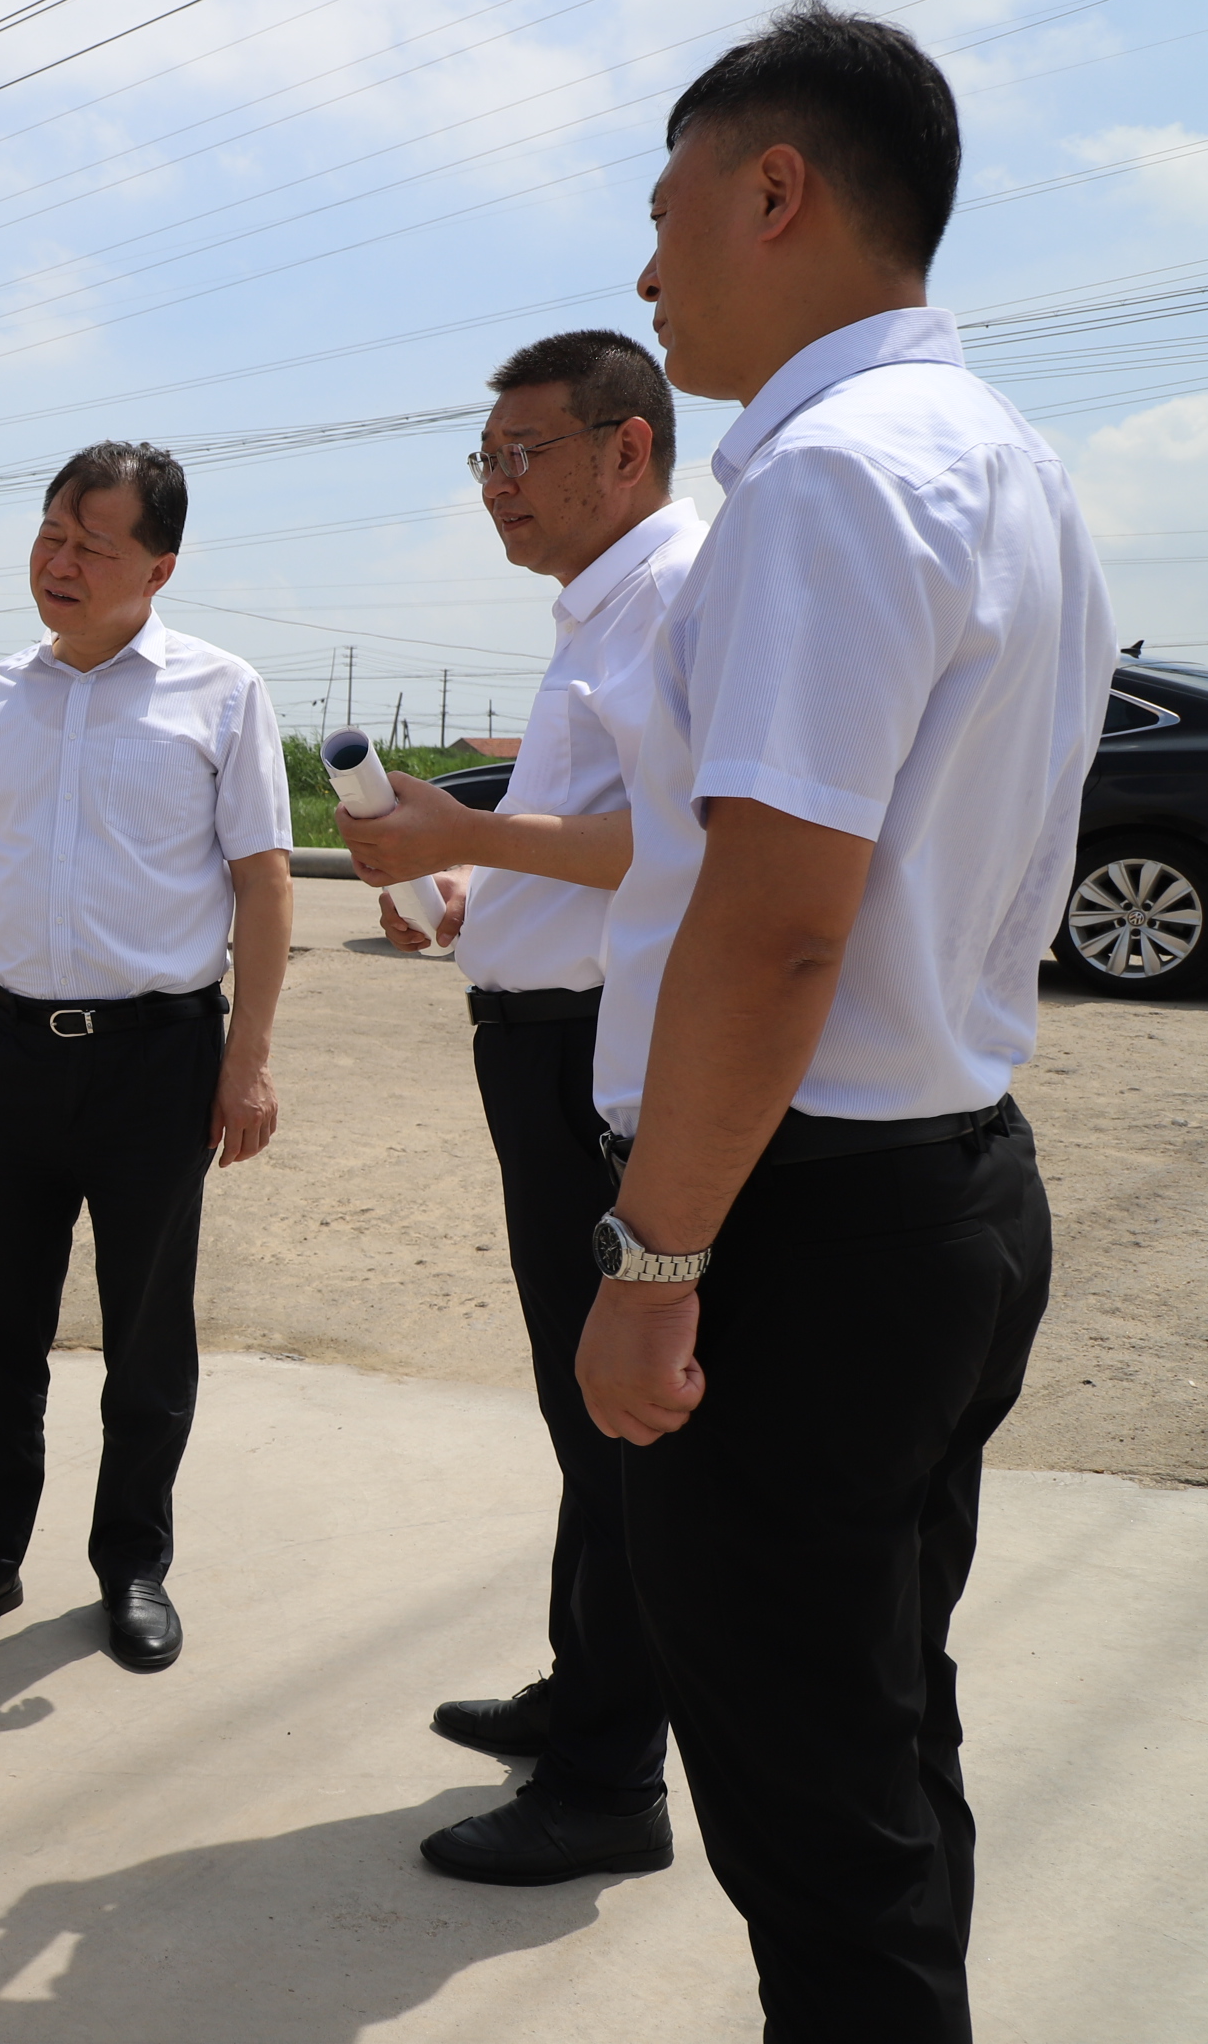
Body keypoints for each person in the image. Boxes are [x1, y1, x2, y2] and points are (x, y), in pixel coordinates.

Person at [581, 2, 1110, 2037]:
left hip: (798, 1231)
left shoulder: (829, 480)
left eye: (668, 217)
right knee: (883, 1734)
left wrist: (655, 1260)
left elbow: (778, 926)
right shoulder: (1015, 466)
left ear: (777, 190)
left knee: (811, 1812)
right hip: (951, 1187)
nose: (650, 275)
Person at [336, 331, 703, 1885]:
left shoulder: (676, 596)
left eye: (520, 453)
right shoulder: (600, 610)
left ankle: (613, 1782)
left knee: (617, 1416)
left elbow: (693, 847)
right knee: (577, 1400)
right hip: (539, 1037)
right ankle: (585, 1692)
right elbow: (592, 839)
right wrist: (468, 886)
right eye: (482, 458)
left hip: (598, 1057)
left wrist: (464, 837)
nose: (495, 485)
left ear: (627, 448)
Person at [0, 441, 294, 1675]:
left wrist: (247, 1058)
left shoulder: (221, 692)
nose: (59, 562)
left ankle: (133, 1564)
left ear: (158, 567)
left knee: (146, 1336)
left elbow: (263, 883)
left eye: (92, 544)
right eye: (50, 535)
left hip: (155, 1058)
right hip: (5, 1054)